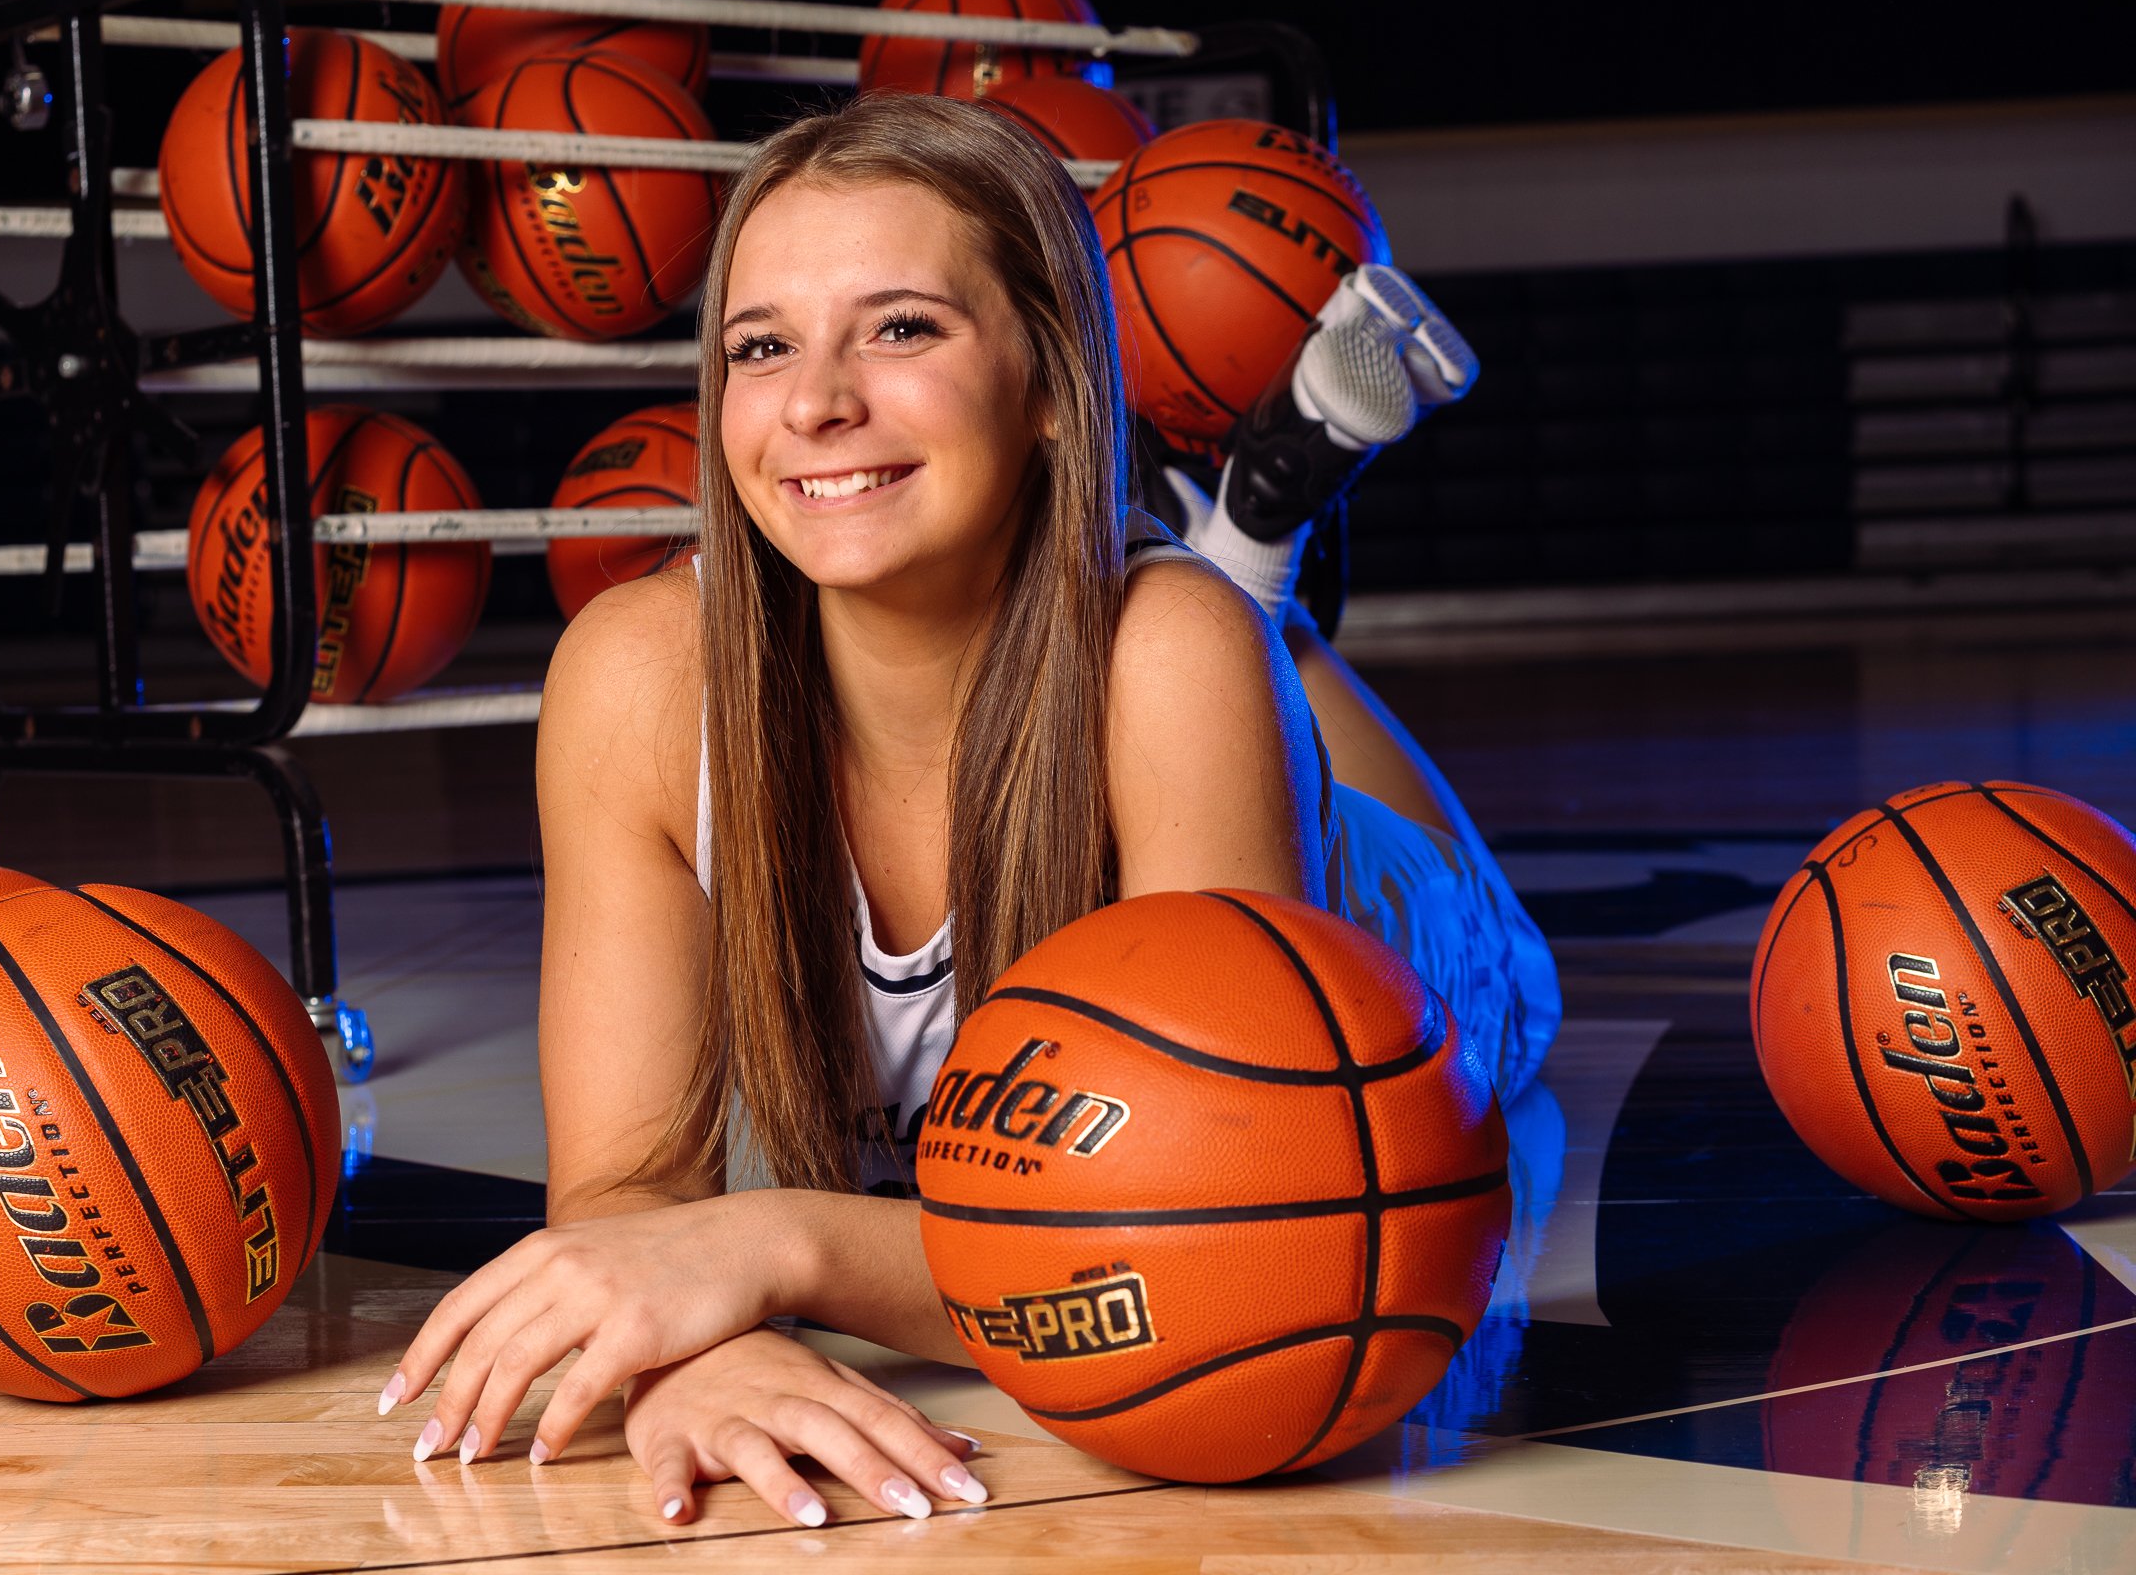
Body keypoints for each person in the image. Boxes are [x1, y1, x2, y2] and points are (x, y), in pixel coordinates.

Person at [377, 92, 1552, 1526]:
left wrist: (775, 1253)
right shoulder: (635, 679)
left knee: (1242, 665)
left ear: (1054, 384)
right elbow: (625, 1195)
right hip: (1127, 671)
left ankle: (1253, 566)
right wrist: (699, 1348)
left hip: (1385, 936)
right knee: (1191, 635)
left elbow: (1213, 1246)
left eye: (902, 328)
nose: (816, 401)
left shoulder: (1163, 668)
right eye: (763, 346)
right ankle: (1233, 554)